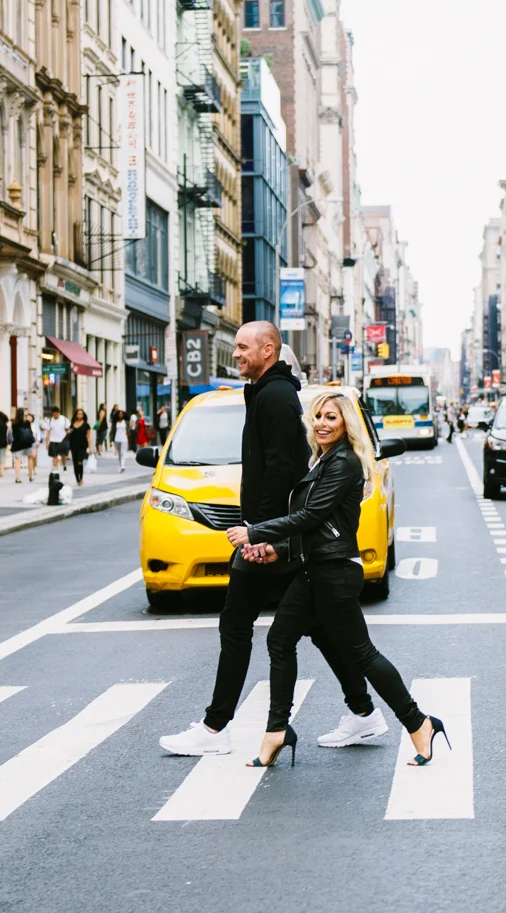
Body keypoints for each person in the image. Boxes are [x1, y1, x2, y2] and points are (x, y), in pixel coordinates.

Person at [160, 321, 383, 757]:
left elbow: (285, 470)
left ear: (268, 350)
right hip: (271, 534)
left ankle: (215, 727)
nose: (236, 354)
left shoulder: (276, 398)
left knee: (236, 623)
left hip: (268, 538)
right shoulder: (265, 393)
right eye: (236, 347)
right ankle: (363, 712)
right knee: (317, 626)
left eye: (243, 347)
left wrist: (261, 537)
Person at [227, 391, 447, 769]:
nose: (322, 423)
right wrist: (277, 549)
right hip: (315, 570)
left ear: (345, 423)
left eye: (331, 417)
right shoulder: (323, 462)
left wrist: (257, 533)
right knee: (280, 639)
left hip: (335, 575)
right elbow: (319, 526)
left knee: (361, 654)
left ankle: (418, 723)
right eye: (317, 417)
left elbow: (311, 517)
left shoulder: (344, 462)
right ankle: (277, 730)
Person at [67, 408, 93, 486]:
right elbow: (69, 434)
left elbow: (88, 437)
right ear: (76, 415)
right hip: (73, 445)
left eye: (81, 414)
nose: (79, 415)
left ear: (83, 415)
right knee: (75, 463)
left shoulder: (86, 425)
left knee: (79, 462)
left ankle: (81, 478)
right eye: (78, 414)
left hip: (82, 446)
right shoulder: (72, 424)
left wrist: (90, 447)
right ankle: (77, 479)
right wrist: (68, 432)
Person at [10, 407, 36, 483]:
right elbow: (30, 433)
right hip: (27, 443)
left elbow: (13, 434)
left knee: (18, 461)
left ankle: (18, 478)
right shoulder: (27, 422)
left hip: (17, 444)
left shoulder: (14, 423)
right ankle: (31, 476)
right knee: (30, 459)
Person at [46, 407, 69, 472]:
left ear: (59, 413)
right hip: (53, 440)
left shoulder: (64, 419)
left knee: (63, 455)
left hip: (62, 440)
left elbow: (68, 429)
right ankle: (55, 468)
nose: (55, 415)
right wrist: (47, 443)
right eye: (54, 414)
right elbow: (48, 432)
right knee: (54, 455)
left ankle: (64, 465)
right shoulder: (50, 421)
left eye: (56, 414)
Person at [111, 407, 128, 472]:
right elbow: (112, 431)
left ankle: (123, 465)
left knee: (123, 452)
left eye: (122, 414)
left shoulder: (125, 422)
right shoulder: (115, 423)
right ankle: (120, 464)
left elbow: (128, 429)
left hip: (124, 438)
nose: (120, 415)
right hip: (117, 439)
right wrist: (111, 440)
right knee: (119, 453)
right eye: (119, 414)